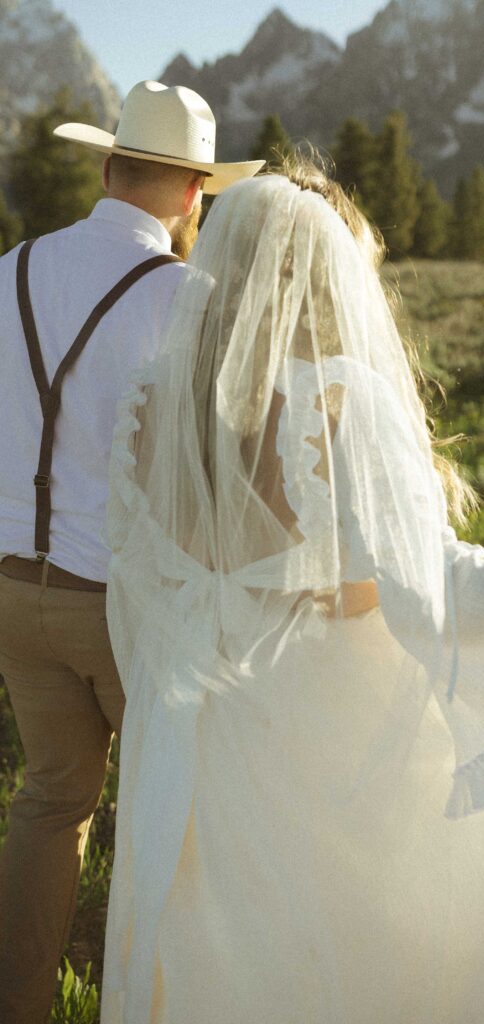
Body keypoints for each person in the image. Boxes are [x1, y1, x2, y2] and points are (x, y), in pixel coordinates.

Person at [101, 158, 484, 1024]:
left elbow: (138, 592)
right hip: (313, 747)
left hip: (191, 748)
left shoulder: (153, 406)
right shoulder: (339, 402)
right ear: (328, 283)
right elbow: (439, 592)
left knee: (219, 961)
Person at [0, 79, 263, 1024]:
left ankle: (20, 1005)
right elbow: (217, 465)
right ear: (196, 193)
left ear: (108, 167)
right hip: (117, 605)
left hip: (11, 593)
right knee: (168, 818)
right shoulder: (188, 301)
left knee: (49, 801)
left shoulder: (9, 270)